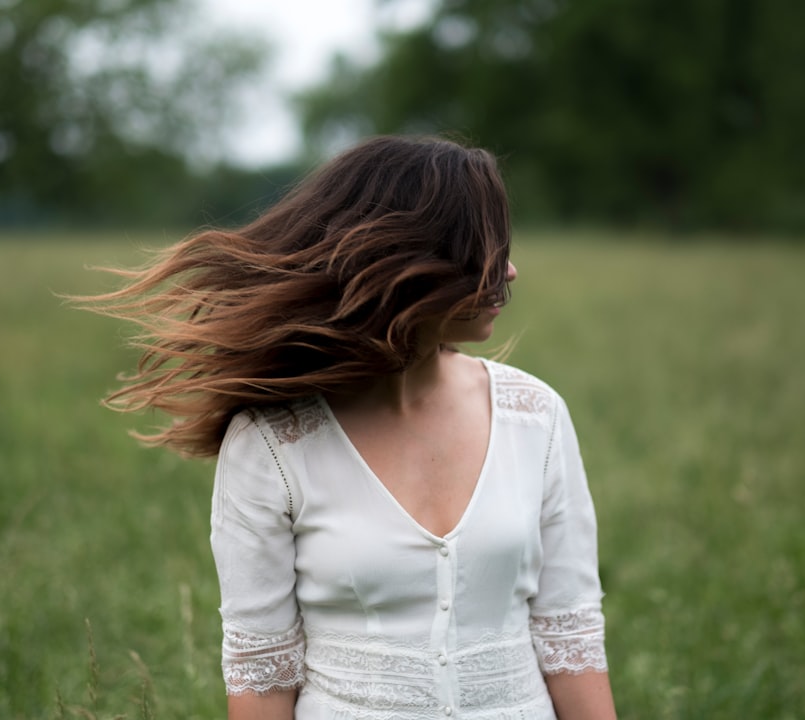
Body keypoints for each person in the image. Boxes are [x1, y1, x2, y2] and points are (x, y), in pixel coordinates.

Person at [83, 135, 617, 719]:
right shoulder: (272, 444)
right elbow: (263, 679)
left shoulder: (534, 416)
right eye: (482, 246)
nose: (509, 268)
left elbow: (571, 640)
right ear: (410, 260)